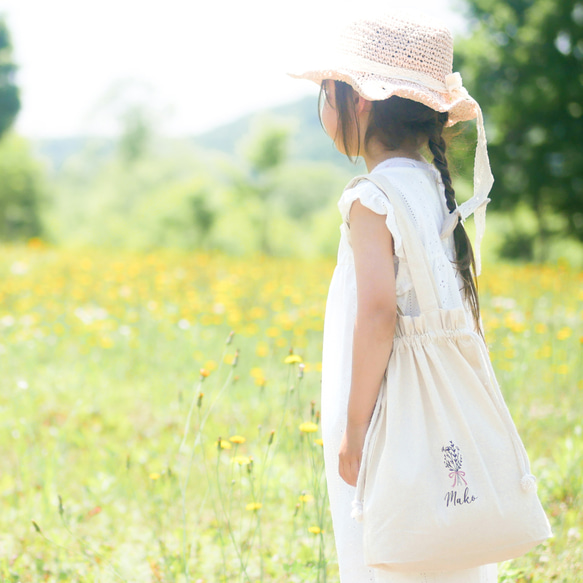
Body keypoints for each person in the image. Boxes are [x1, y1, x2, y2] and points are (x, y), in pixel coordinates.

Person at [288, 10, 499, 583]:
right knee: (442, 542)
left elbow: (379, 314)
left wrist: (354, 430)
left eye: (328, 96)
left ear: (358, 101)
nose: (324, 112)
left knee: (386, 546)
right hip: (434, 396)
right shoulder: (432, 184)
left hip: (385, 404)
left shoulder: (369, 197)